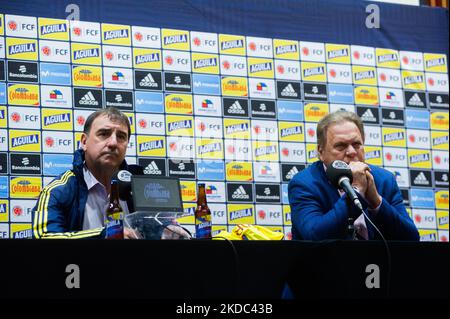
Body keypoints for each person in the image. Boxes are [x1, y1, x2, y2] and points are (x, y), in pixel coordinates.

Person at [288, 110, 419, 241]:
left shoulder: (384, 180)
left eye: (356, 144)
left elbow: (411, 239)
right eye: (340, 146)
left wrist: (376, 202)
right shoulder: (304, 183)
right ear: (321, 152)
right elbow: (314, 236)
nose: (351, 152)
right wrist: (357, 190)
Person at [32, 107, 133, 239]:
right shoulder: (58, 190)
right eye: (104, 134)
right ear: (84, 142)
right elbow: (44, 238)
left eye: (121, 136)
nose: (113, 142)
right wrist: (105, 235)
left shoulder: (140, 187)